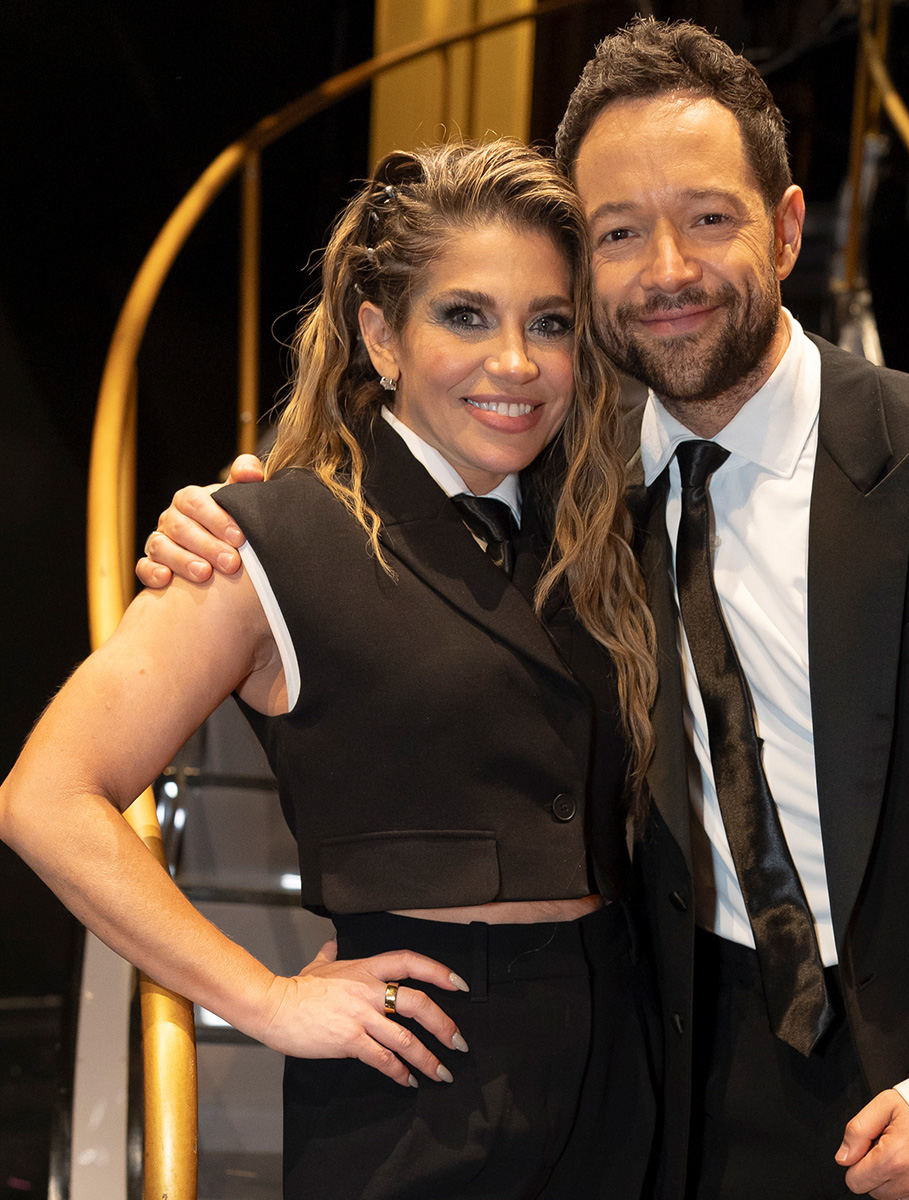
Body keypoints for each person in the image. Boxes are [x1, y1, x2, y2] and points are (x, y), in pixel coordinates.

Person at [140, 18, 909, 1200]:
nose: (667, 269)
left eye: (709, 218)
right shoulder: (574, 499)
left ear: (786, 228)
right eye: (619, 233)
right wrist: (236, 519)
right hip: (692, 1108)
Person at [2, 138, 659, 1199]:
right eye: (466, 316)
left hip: (618, 1067)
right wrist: (261, 998)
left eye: (549, 323)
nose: (517, 363)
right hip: (419, 1081)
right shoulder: (267, 537)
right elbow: (46, 796)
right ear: (380, 335)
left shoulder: (593, 541)